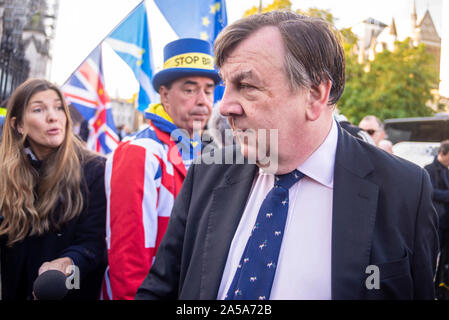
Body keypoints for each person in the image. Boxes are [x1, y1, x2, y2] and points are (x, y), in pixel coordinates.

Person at [135, 11, 438, 300]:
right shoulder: (207, 173)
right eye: (226, 86)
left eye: (247, 86)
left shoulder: (404, 190)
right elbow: (161, 289)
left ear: (315, 94)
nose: (224, 106)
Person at [101, 38, 220, 300]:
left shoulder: (206, 148)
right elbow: (128, 262)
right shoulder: (140, 152)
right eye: (190, 90)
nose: (202, 101)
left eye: (208, 91)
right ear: (164, 95)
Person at [0, 78, 107, 300]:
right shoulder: (5, 173)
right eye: (39, 109)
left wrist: (68, 263)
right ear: (18, 125)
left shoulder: (93, 170)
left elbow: (94, 245)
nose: (53, 116)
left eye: (59, 107)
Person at [424, 140, 449, 299]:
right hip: (436, 222)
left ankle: (441, 287)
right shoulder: (428, 169)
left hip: (447, 223)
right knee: (432, 257)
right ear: (443, 153)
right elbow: (431, 192)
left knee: (445, 260)